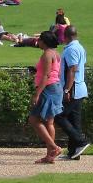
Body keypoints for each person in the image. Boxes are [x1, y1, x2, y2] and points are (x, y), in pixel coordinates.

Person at [54, 25, 91, 160]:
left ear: (66, 36)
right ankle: (74, 152)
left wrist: (66, 90)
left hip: (73, 88)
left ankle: (81, 141)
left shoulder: (71, 50)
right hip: (79, 88)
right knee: (74, 121)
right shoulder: (80, 48)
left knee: (59, 116)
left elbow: (72, 70)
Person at [28, 30, 63, 164]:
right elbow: (56, 72)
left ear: (45, 42)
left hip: (47, 88)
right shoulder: (56, 54)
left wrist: (37, 94)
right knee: (49, 122)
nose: (38, 42)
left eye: (40, 40)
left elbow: (46, 75)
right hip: (56, 87)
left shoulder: (47, 55)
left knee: (34, 120)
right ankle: (50, 156)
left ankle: (54, 148)